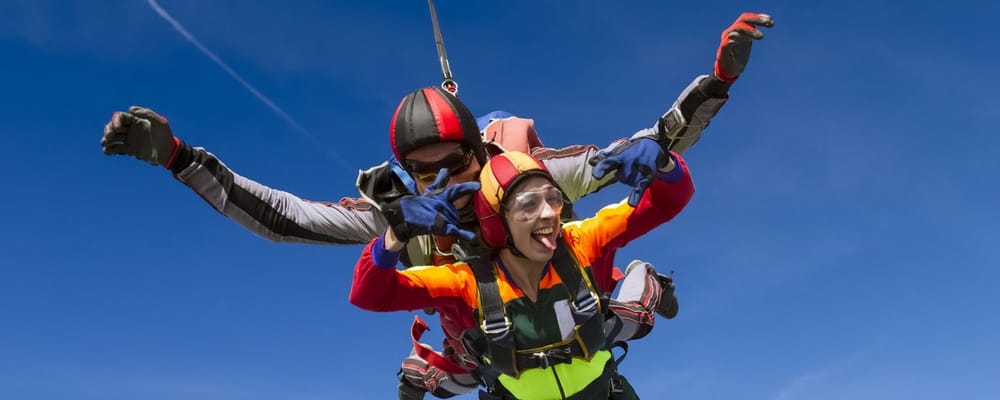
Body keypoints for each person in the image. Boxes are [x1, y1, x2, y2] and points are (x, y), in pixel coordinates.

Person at [98, 12, 773, 398]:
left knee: (626, 308)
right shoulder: (410, 213)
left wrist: (716, 81)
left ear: (477, 153)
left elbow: (652, 148)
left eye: (450, 167)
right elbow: (287, 221)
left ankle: (649, 285)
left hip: (580, 319)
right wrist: (183, 159)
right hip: (496, 355)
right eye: (419, 174)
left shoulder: (531, 180)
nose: (436, 184)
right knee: (426, 374)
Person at [350, 144, 695, 399]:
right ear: (498, 223)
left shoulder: (582, 241)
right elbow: (370, 295)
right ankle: (418, 371)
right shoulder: (466, 282)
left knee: (630, 318)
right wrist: (395, 236)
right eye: (529, 204)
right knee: (459, 371)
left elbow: (669, 199)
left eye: (552, 199)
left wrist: (665, 165)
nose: (548, 214)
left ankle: (650, 282)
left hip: (603, 391)